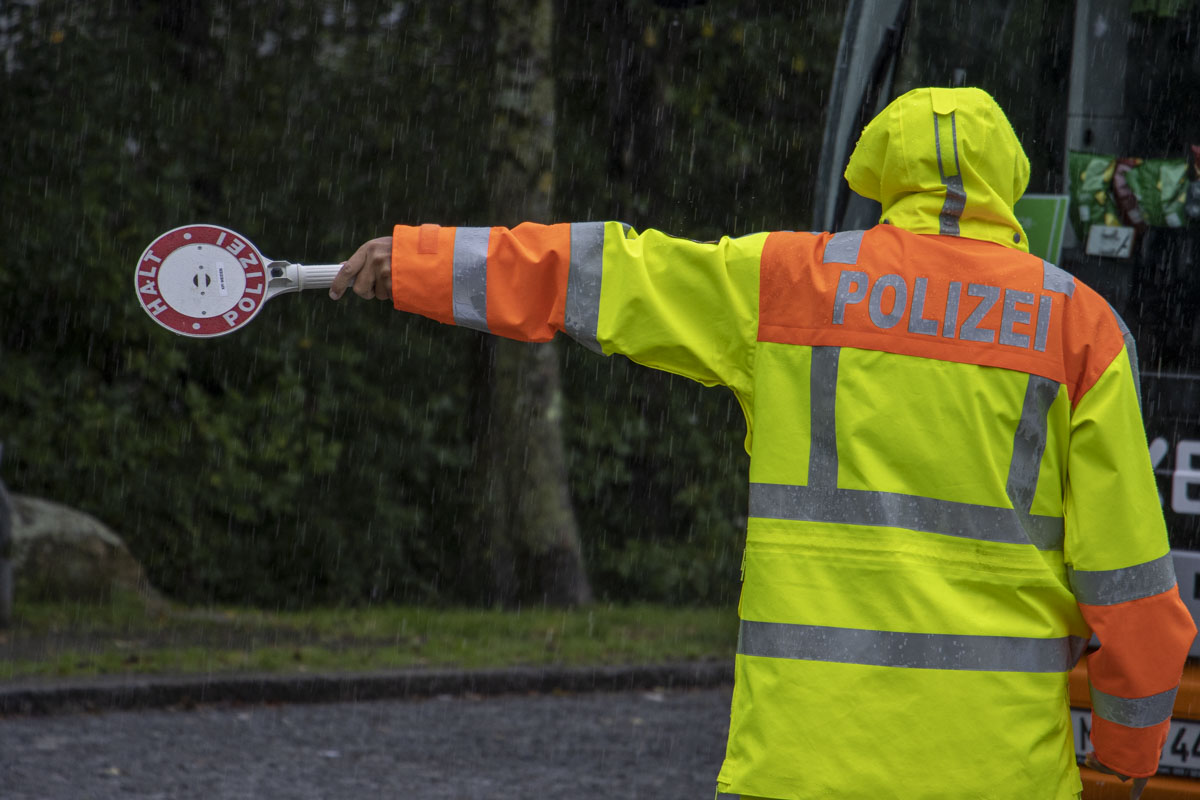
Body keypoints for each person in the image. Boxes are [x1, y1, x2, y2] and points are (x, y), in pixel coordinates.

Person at [330, 87, 1196, 799]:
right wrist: (1124, 761)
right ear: (1011, 181)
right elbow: (1138, 601)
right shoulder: (1081, 331)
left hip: (799, 764)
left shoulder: (791, 284)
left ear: (883, 177)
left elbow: (615, 274)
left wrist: (426, 263)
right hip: (996, 773)